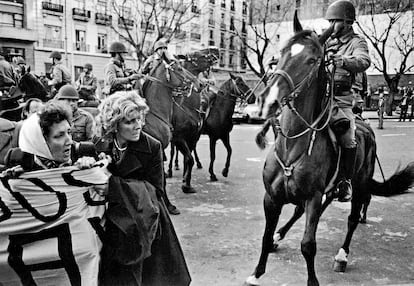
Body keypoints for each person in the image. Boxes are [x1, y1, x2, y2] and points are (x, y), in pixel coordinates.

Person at [95, 90, 191, 286]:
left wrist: (113, 186)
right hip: (110, 222)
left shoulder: (153, 147)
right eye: (130, 122)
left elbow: (156, 191)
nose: (138, 126)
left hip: (145, 223)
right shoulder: (100, 144)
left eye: (139, 119)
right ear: (115, 125)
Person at [325, 0, 371, 202]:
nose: (331, 25)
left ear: (347, 22)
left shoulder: (357, 42)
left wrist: (344, 61)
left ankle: (345, 182)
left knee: (348, 137)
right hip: (322, 98)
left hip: (342, 100)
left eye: (335, 21)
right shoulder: (328, 41)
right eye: (329, 21)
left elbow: (364, 61)